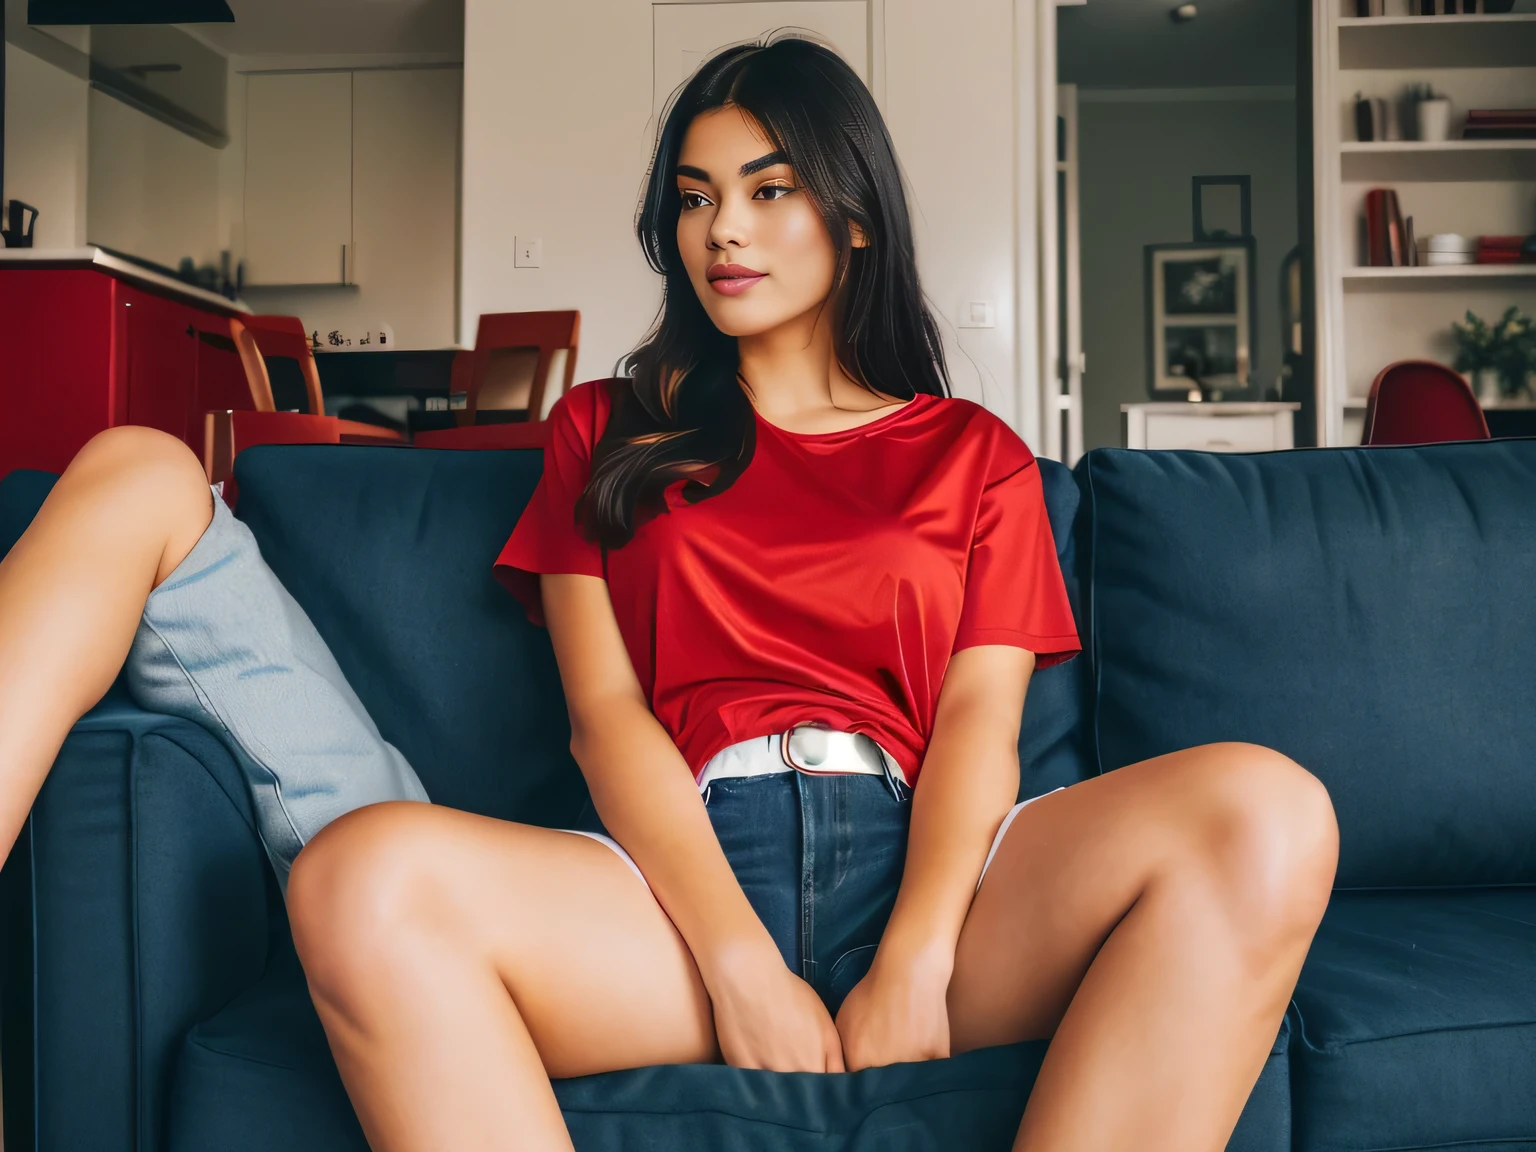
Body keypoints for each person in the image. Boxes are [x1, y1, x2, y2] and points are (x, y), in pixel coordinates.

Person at [0, 35, 1338, 1152]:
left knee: (1267, 810)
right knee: (361, 879)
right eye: (696, 197)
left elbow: (981, 732)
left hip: (936, 877)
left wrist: (919, 959)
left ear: (853, 211)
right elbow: (607, 719)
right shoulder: (611, 429)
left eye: (766, 190)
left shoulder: (970, 453)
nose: (724, 230)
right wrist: (738, 961)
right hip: (678, 880)